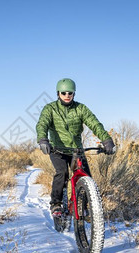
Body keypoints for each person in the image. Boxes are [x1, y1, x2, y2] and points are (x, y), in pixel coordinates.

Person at [36, 78, 116, 216]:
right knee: (62, 173)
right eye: (63, 93)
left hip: (76, 149)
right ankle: (56, 204)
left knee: (86, 176)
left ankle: (85, 207)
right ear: (58, 94)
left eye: (70, 93)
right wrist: (43, 140)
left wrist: (106, 139)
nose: (67, 95)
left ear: (74, 94)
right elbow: (42, 124)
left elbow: (94, 123)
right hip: (57, 149)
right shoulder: (50, 109)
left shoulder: (81, 108)